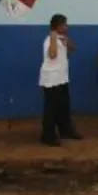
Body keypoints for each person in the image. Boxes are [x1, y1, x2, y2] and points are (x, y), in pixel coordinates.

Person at [39, 13, 83, 146]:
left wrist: (66, 41)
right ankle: (48, 136)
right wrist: (53, 37)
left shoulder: (61, 38)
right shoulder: (49, 40)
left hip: (62, 78)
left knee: (64, 106)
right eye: (64, 25)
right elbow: (52, 55)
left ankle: (66, 130)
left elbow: (73, 48)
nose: (66, 27)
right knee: (51, 109)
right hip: (51, 80)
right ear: (57, 26)